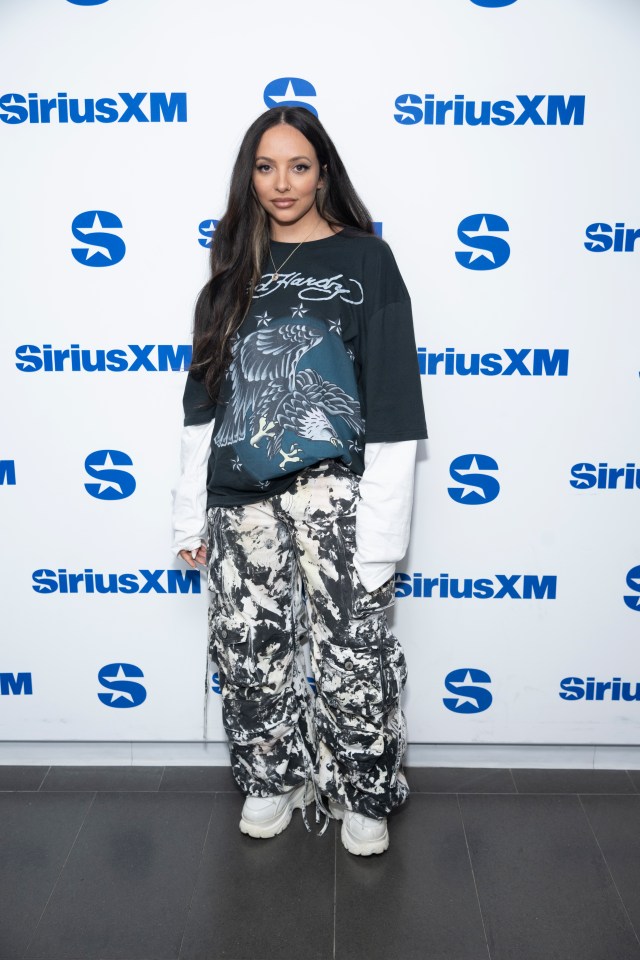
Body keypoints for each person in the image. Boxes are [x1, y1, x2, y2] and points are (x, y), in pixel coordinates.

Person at [172, 106, 427, 856]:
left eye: (299, 165)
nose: (282, 183)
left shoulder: (365, 260)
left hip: (336, 493)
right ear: (248, 176)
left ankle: (364, 788)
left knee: (356, 651)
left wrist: (385, 530)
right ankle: (270, 776)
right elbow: (202, 405)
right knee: (249, 648)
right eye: (265, 166)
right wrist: (191, 515)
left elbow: (393, 398)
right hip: (239, 495)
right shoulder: (229, 275)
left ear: (324, 171)